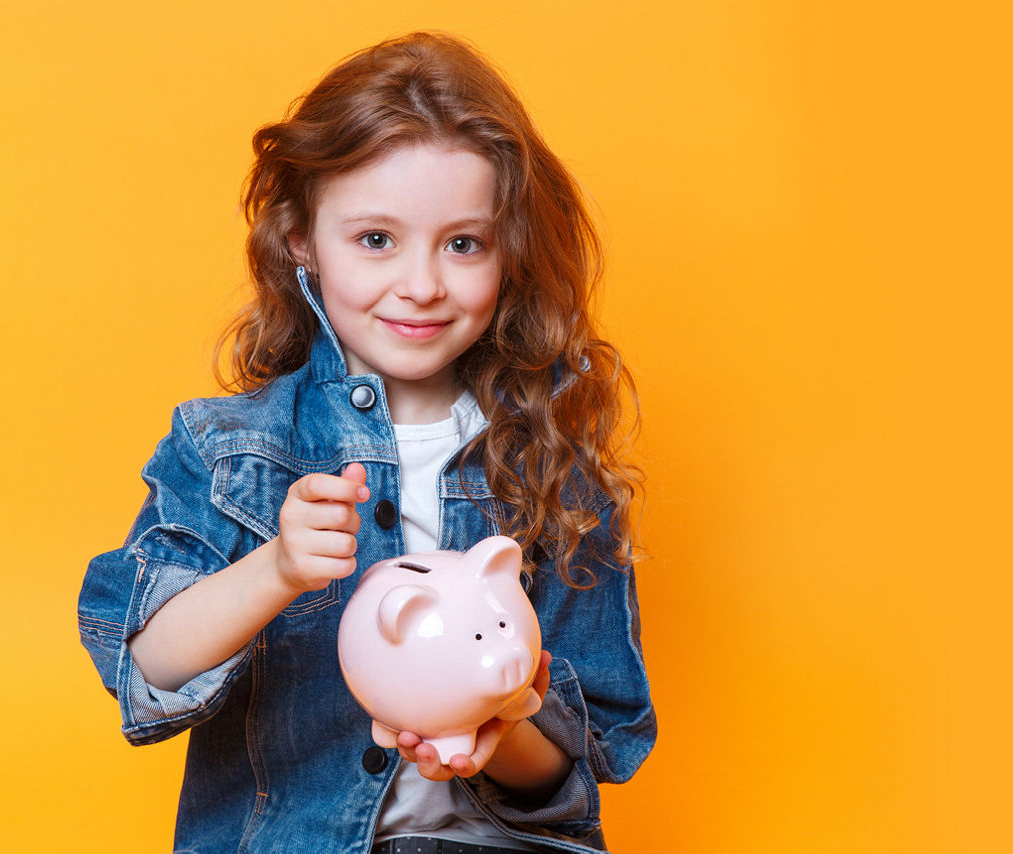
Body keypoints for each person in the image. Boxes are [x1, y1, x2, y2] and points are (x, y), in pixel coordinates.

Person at [78, 31, 654, 854]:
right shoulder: (230, 450)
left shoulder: (552, 467)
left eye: (463, 243)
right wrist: (278, 568)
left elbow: (575, 772)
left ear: (511, 250)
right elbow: (145, 665)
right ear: (301, 239)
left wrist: (500, 728)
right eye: (376, 240)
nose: (421, 285)